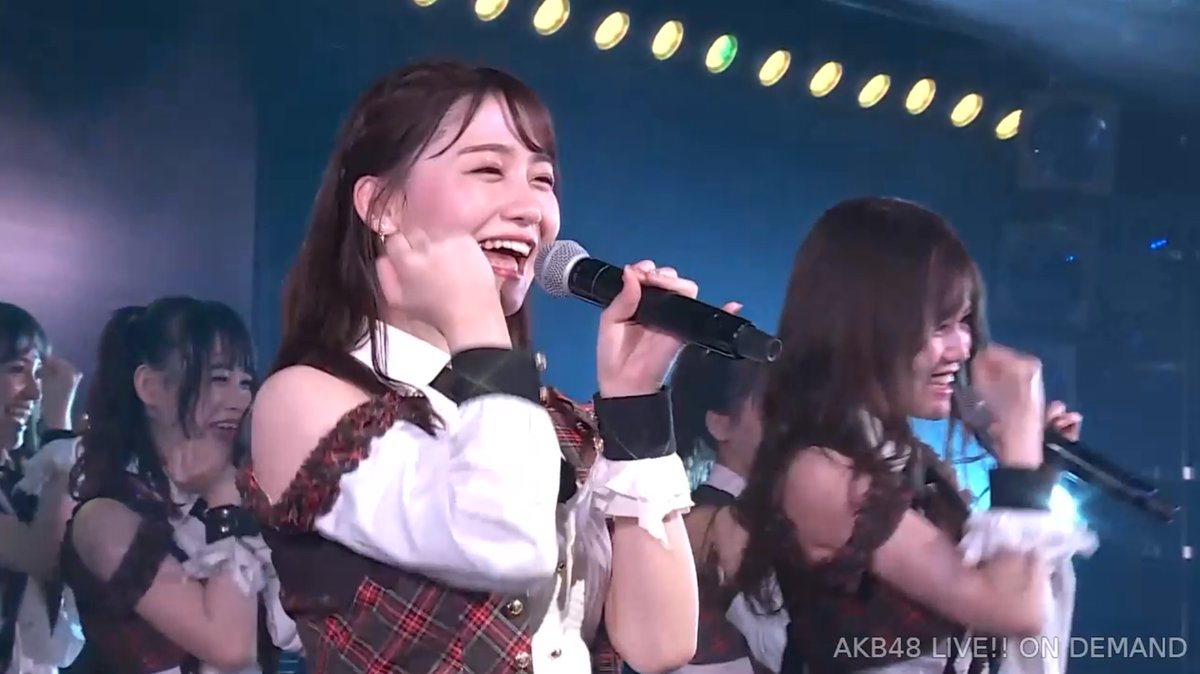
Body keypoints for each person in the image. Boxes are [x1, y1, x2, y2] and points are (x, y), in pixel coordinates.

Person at [245, 60, 707, 674]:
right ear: (381, 205)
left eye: (542, 179)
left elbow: (661, 644)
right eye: (488, 170)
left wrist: (634, 402)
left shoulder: (545, 421)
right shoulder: (307, 400)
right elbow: (502, 541)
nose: (530, 208)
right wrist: (479, 327)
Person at [711, 197, 1095, 674]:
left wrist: (1028, 466)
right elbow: (1013, 611)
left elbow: (1017, 613)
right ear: (866, 328)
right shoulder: (821, 474)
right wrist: (1019, 458)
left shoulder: (911, 464)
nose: (962, 347)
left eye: (964, 323)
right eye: (940, 326)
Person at [61, 297, 299, 674]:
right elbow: (230, 648)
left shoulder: (251, 496)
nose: (240, 399)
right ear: (150, 387)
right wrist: (222, 496)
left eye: (245, 382)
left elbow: (302, 631)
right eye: (219, 378)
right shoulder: (104, 519)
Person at [665, 345, 778, 674]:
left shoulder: (704, 514)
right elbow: (786, 647)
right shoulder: (716, 523)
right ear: (720, 423)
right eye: (772, 407)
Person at [0, 301, 84, 674]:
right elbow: (43, 555)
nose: (35, 392)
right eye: (18, 370)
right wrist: (59, 433)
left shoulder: (19, 478)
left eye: (38, 373)